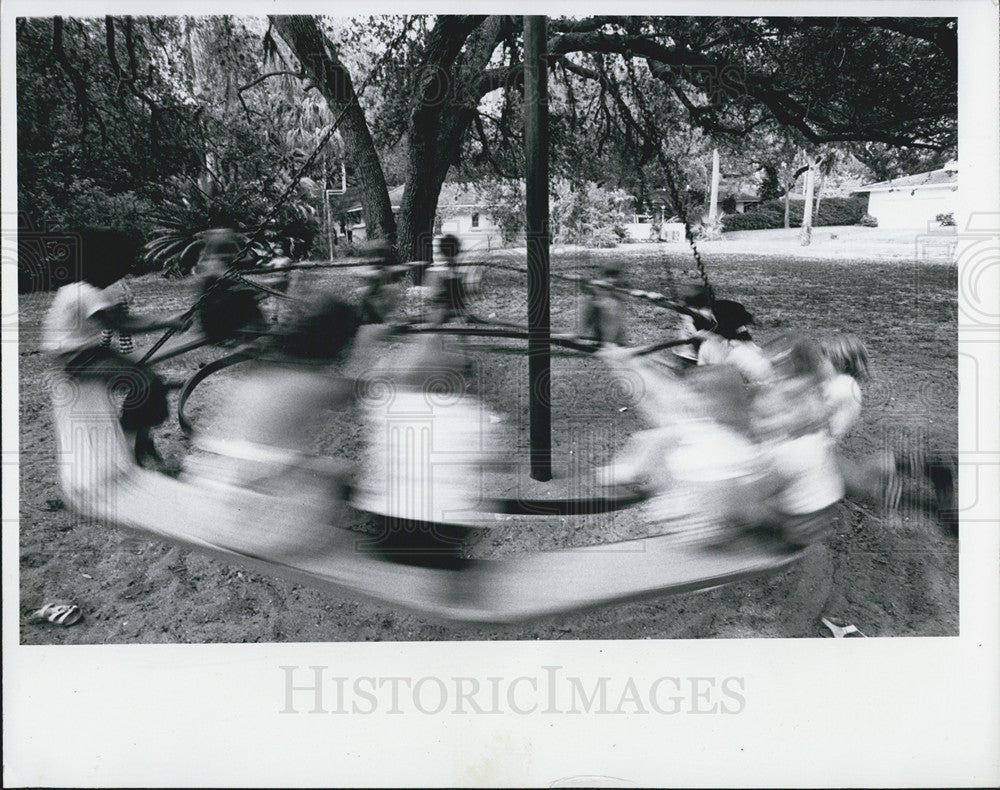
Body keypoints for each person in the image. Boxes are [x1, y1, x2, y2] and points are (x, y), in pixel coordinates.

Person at [42, 227, 189, 465]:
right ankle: (130, 441)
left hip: (86, 352)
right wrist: (168, 320)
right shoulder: (84, 292)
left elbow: (121, 323)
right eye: (120, 267)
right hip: (74, 359)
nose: (123, 273)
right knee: (144, 383)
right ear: (104, 264)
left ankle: (140, 440)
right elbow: (124, 325)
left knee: (150, 382)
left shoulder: (78, 288)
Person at [193, 228, 267, 343]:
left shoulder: (217, 262)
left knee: (247, 300)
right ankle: (254, 334)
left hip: (218, 314)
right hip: (215, 320)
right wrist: (249, 292)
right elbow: (226, 284)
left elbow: (243, 263)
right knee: (246, 300)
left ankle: (256, 333)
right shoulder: (212, 265)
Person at [581, 264, 628, 346]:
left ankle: (610, 342)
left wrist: (612, 292)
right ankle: (583, 335)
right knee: (591, 302)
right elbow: (588, 291)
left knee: (611, 305)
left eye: (614, 277)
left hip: (614, 334)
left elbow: (624, 296)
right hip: (598, 330)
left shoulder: (619, 287)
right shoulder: (599, 286)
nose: (610, 279)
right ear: (603, 276)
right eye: (608, 276)